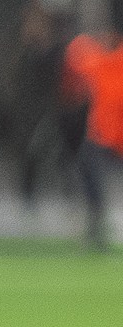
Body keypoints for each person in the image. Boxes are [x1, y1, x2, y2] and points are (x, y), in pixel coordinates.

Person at [0, 0, 79, 213]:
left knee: (63, 161)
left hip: (55, 117)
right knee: (27, 163)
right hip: (24, 119)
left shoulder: (59, 51)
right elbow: (5, 82)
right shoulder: (15, 50)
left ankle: (72, 206)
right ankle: (29, 210)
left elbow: (66, 84)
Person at [62, 26, 123, 250]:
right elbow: (77, 56)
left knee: (89, 173)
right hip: (103, 135)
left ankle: (98, 225)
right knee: (88, 174)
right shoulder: (96, 58)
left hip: (113, 134)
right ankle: (96, 226)